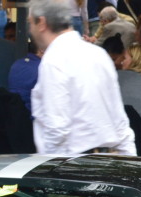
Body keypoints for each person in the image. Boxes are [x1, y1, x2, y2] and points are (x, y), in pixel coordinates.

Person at [29, 0, 135, 156]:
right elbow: (119, 120)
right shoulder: (98, 54)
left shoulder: (54, 60)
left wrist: (48, 171)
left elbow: (56, 128)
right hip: (109, 159)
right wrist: (129, 158)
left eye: (31, 23)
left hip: (74, 165)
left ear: (42, 23)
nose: (30, 30)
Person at [6, 39, 41, 113]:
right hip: (33, 117)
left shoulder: (17, 64)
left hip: (15, 115)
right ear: (41, 50)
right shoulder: (42, 68)